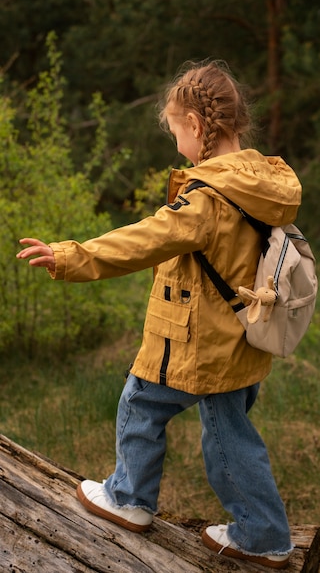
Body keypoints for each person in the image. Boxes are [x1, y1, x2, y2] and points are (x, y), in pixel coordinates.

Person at [17, 60, 302, 569]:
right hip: (238, 340)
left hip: (192, 344)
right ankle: (263, 535)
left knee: (140, 404)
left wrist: (72, 255)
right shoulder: (260, 182)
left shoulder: (208, 199)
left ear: (195, 125)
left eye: (175, 131)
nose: (176, 144)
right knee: (231, 437)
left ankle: (130, 499)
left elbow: (145, 239)